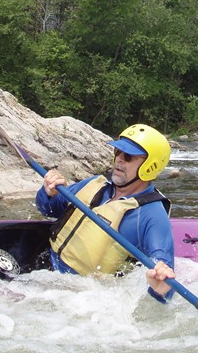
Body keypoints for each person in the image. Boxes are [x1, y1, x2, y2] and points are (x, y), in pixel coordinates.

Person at [35, 123, 176, 302]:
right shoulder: (95, 184)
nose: (119, 159)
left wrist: (160, 289)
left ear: (150, 166)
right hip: (46, 270)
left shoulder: (151, 215)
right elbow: (49, 209)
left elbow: (166, 278)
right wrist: (48, 193)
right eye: (118, 152)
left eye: (128, 156)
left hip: (82, 297)